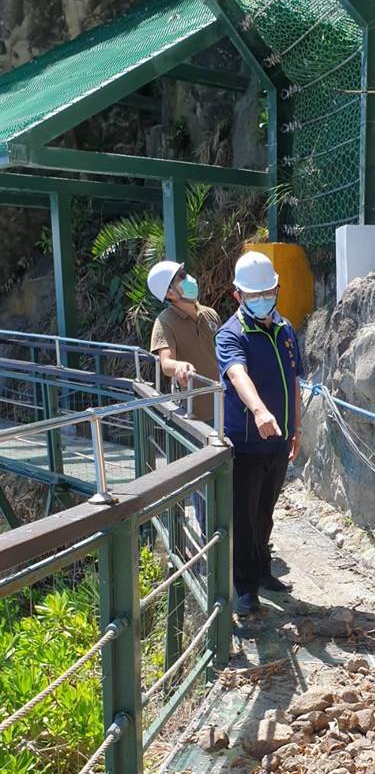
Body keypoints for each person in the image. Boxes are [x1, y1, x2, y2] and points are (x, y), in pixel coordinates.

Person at [216, 250, 304, 616]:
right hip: (248, 442)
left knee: (266, 513)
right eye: (253, 296)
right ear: (238, 296)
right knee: (245, 516)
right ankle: (245, 587)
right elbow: (238, 375)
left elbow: (295, 381)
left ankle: (264, 572)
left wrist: (296, 427)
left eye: (267, 292)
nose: (262, 300)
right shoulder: (230, 334)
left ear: (276, 289)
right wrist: (259, 410)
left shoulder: (285, 330)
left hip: (280, 441)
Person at [147, 260, 220, 424]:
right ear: (170, 293)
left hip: (223, 404)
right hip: (193, 414)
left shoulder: (210, 314)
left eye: (184, 273)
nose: (189, 279)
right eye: (181, 276)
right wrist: (179, 366)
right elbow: (166, 363)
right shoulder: (164, 321)